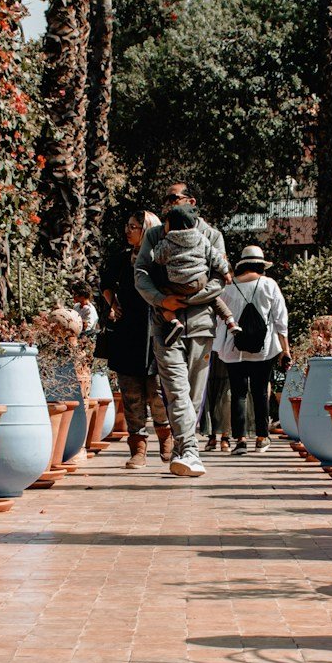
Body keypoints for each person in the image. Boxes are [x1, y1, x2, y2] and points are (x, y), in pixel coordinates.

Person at [136, 196, 229, 478]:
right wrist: (163, 301)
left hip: (200, 326)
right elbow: (141, 273)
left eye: (176, 198)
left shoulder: (212, 236)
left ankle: (182, 448)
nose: (170, 202)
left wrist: (188, 299)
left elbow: (221, 277)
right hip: (165, 324)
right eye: (167, 198)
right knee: (176, 390)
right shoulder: (154, 236)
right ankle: (190, 450)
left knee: (193, 393)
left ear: (190, 201)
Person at [101, 212, 170, 465]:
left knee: (157, 392)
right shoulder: (120, 259)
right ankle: (138, 449)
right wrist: (113, 303)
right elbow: (105, 282)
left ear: (148, 229)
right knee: (130, 393)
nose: (128, 230)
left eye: (134, 226)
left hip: (155, 330)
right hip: (127, 332)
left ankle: (165, 438)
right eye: (126, 225)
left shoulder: (158, 258)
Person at [213, 243, 291, 451]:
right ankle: (261, 438)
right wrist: (286, 350)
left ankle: (240, 440)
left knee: (238, 392)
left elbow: (220, 319)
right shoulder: (269, 284)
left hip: (233, 346)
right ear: (260, 264)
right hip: (263, 347)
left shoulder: (228, 287)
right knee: (260, 392)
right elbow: (281, 319)